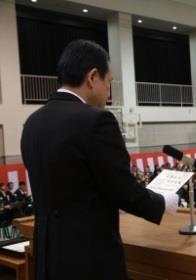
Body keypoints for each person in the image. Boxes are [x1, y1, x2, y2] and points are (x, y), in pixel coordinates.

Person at [20, 40, 178, 280]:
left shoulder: (33, 122)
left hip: (48, 259)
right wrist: (162, 202)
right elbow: (123, 190)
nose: (109, 91)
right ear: (93, 77)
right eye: (109, 82)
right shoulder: (96, 121)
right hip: (89, 260)